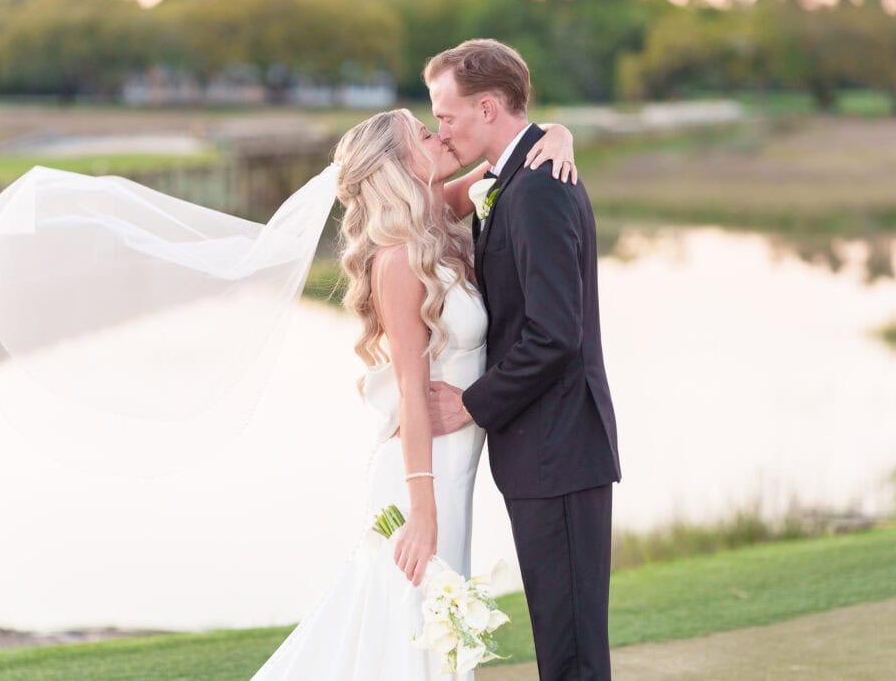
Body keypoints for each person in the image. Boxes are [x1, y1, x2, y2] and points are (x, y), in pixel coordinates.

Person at [250, 108, 577, 680]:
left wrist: (561, 135)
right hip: (422, 474)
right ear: (399, 166)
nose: (440, 134)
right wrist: (422, 509)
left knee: (428, 631)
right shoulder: (399, 258)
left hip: (454, 467)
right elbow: (409, 388)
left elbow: (514, 154)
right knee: (409, 628)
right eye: (424, 135)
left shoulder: (436, 218)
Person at [425, 39, 621, 681]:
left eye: (446, 115)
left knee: (570, 652)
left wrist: (471, 404)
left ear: (486, 107)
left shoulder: (535, 188)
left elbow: (554, 334)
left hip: (558, 449)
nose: (439, 129)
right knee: (562, 643)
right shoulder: (511, 177)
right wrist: (559, 130)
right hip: (544, 451)